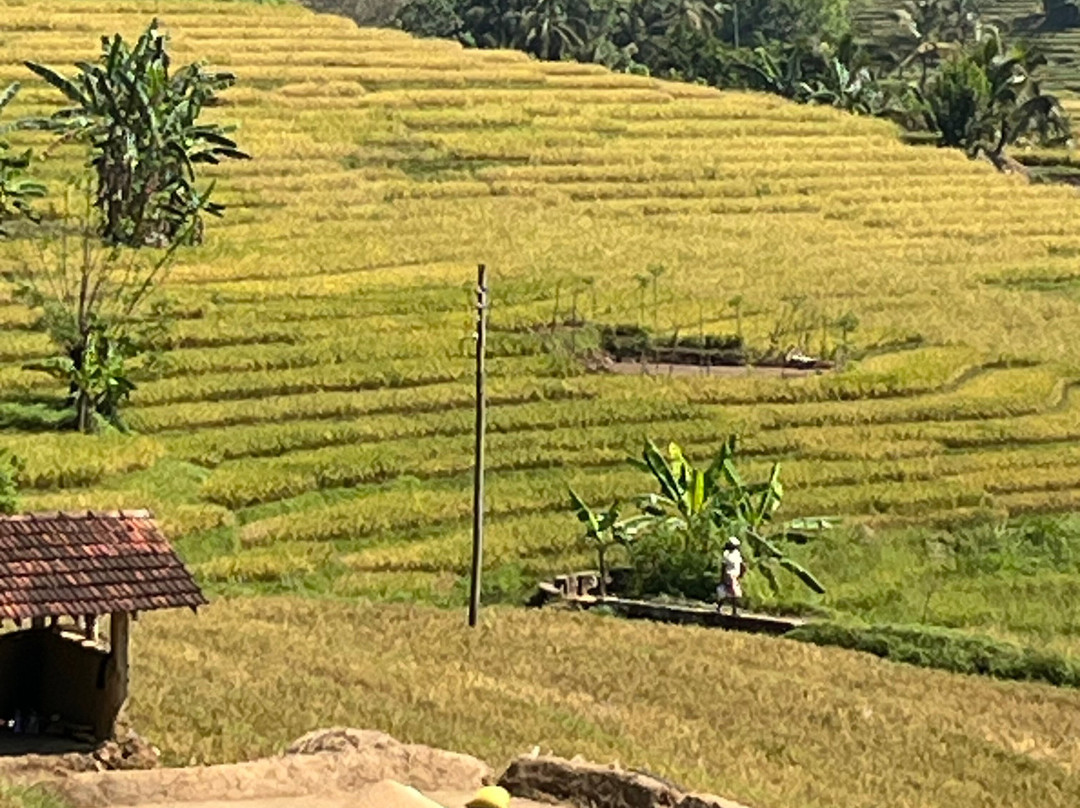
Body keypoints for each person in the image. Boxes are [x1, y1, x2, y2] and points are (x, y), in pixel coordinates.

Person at [717, 537, 746, 615]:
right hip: (729, 575)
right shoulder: (727, 554)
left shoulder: (736, 554)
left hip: (734, 575)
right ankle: (734, 611)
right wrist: (722, 577)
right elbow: (724, 567)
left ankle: (720, 607)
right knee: (733, 593)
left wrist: (741, 573)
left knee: (727, 592)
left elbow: (741, 565)